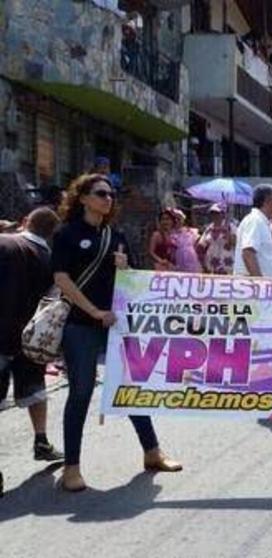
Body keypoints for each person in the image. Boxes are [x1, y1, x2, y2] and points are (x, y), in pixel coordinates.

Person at [53, 174, 181, 492]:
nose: (107, 199)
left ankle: (152, 452)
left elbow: (132, 281)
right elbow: (61, 279)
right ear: (82, 197)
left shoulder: (117, 235)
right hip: (81, 326)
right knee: (80, 393)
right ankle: (72, 468)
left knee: (131, 387)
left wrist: (124, 268)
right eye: (100, 193)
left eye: (111, 194)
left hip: (117, 326)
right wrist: (94, 312)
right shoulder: (67, 234)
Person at [0, 207, 64, 462]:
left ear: (26, 222)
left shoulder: (3, 242)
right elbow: (52, 302)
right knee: (35, 390)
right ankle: (41, 441)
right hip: (29, 339)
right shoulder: (49, 258)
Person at [234, 184, 272, 278]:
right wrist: (260, 283)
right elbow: (248, 253)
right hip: (252, 287)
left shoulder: (261, 222)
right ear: (268, 201)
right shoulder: (255, 221)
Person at [197, 204, 236, 275]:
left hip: (227, 264)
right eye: (213, 213)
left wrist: (228, 234)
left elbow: (236, 242)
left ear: (223, 214)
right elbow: (201, 245)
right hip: (211, 264)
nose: (215, 216)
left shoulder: (231, 226)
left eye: (217, 213)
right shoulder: (209, 228)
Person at [169, 209, 203, 273]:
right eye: (174, 219)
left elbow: (198, 245)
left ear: (183, 220)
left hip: (192, 258)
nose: (176, 221)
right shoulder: (171, 234)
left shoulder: (191, 231)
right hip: (179, 258)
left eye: (178, 219)